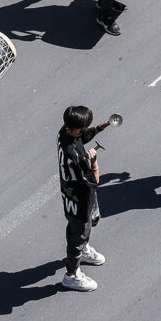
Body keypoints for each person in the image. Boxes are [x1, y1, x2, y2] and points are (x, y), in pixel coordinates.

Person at [58, 106, 115, 292]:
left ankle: (83, 249)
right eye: (85, 127)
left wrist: (101, 127)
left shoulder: (64, 133)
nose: (86, 130)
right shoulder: (75, 157)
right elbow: (94, 181)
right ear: (77, 128)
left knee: (79, 228)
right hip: (80, 199)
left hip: (70, 194)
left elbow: (81, 138)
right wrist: (94, 161)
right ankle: (71, 275)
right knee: (78, 235)